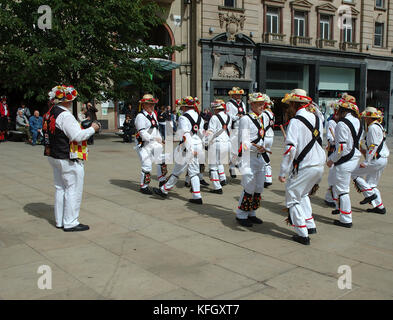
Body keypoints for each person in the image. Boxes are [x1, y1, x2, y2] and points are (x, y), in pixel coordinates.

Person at [43, 85, 100, 231]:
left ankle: (60, 220)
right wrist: (93, 128)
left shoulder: (50, 113)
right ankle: (71, 222)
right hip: (66, 156)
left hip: (54, 155)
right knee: (72, 188)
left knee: (60, 188)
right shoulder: (65, 115)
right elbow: (77, 136)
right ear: (68, 101)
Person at [279, 89, 326, 245]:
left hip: (305, 165)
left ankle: (302, 234)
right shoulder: (318, 118)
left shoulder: (295, 121)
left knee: (292, 197)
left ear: (293, 104)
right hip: (319, 164)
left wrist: (283, 171)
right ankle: (310, 224)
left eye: (289, 105)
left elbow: (290, 149)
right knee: (303, 194)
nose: (288, 108)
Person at [154, 96, 205, 204]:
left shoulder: (183, 118)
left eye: (181, 106)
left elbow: (185, 134)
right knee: (194, 172)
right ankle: (197, 196)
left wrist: (189, 149)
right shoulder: (199, 117)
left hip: (187, 147)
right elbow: (200, 134)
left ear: (185, 106)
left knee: (177, 171)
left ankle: (164, 190)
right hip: (197, 146)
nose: (180, 108)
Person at [326, 94, 362, 228]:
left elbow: (341, 147)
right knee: (338, 186)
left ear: (341, 110)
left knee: (342, 190)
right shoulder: (357, 121)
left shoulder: (341, 124)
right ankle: (341, 210)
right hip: (354, 157)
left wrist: (331, 159)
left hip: (344, 160)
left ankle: (346, 219)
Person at [235, 93, 270, 227]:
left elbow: (263, 136)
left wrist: (264, 147)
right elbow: (243, 142)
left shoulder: (263, 118)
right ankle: (241, 214)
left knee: (259, 186)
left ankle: (252, 213)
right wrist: (256, 148)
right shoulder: (245, 119)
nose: (263, 106)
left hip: (260, 157)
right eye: (260, 104)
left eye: (263, 104)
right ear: (252, 104)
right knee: (249, 186)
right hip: (248, 157)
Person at [352, 107, 389, 214]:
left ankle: (370, 194)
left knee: (354, 173)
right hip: (382, 158)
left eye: (365, 118)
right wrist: (364, 151)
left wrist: (366, 161)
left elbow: (374, 146)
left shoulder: (372, 127)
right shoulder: (379, 126)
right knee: (371, 183)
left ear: (369, 118)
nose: (364, 120)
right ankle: (379, 207)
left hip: (376, 159)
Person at [134, 94, 167, 194]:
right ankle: (144, 187)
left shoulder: (153, 114)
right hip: (144, 144)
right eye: (149, 105)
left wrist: (160, 139)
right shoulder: (140, 116)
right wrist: (154, 138)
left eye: (153, 105)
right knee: (147, 164)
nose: (152, 107)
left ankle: (162, 182)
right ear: (143, 105)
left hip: (154, 144)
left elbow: (156, 129)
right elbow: (142, 133)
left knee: (161, 161)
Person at [206, 99, 232, 194]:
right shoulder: (228, 117)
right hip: (227, 142)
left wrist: (206, 142)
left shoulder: (214, 117)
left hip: (217, 142)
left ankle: (217, 187)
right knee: (219, 161)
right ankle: (222, 178)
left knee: (213, 165)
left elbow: (211, 131)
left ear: (216, 109)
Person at [226, 87, 247, 178]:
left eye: (240, 94)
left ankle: (239, 164)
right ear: (232, 95)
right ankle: (232, 167)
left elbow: (245, 114)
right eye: (237, 94)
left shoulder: (243, 103)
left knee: (242, 148)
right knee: (233, 149)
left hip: (242, 128)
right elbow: (228, 116)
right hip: (234, 128)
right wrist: (237, 116)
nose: (239, 96)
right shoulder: (229, 104)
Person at [324, 101, 339, 207]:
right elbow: (329, 137)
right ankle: (330, 198)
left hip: (341, 151)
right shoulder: (332, 122)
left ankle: (332, 197)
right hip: (334, 150)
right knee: (333, 174)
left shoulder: (344, 121)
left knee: (337, 175)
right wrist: (335, 141)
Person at [262, 95, 275, 188]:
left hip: (264, 137)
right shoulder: (272, 113)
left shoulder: (263, 114)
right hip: (271, 136)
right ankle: (268, 177)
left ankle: (267, 178)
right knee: (266, 156)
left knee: (262, 157)